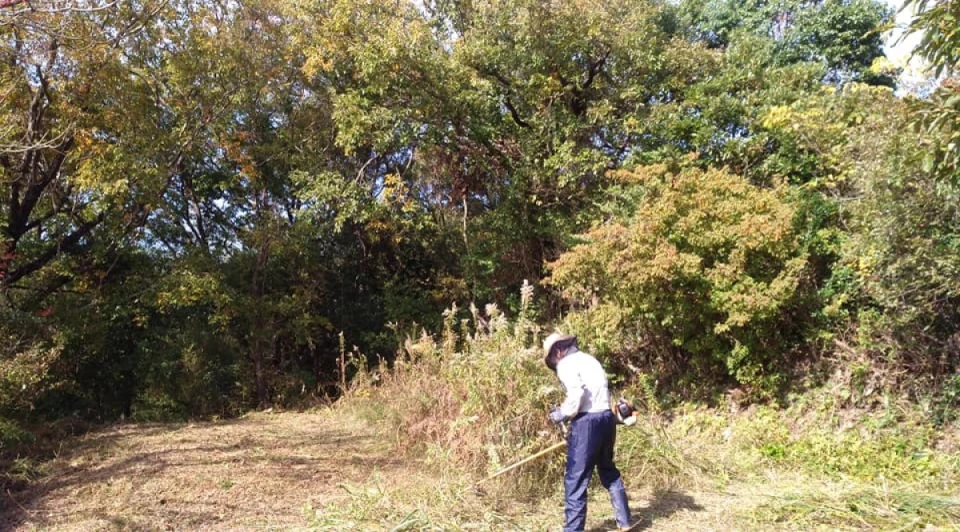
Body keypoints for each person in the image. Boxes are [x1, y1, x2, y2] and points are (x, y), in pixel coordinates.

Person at [544, 332, 632, 532]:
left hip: (587, 423)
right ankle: (625, 521)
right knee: (608, 470)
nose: (554, 363)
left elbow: (577, 394)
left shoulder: (566, 364)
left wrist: (562, 413)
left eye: (552, 359)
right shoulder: (590, 360)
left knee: (575, 479)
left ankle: (573, 530)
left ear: (558, 351)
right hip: (606, 418)